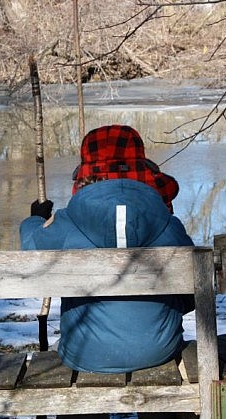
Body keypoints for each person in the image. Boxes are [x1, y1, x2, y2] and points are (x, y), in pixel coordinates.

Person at [20, 124, 194, 375]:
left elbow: (31, 254)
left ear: (86, 175)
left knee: (73, 368)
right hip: (160, 348)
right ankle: (159, 415)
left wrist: (35, 219)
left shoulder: (69, 221)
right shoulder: (164, 219)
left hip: (85, 353)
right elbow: (191, 287)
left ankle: (83, 414)